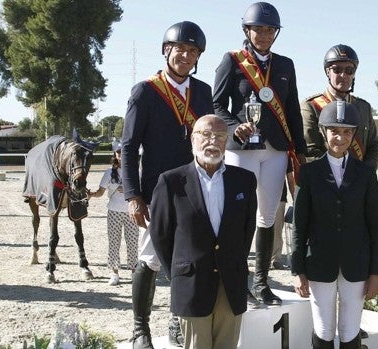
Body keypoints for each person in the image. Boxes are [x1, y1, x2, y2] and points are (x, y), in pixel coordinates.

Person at [121, 21, 213, 349]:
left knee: (187, 259)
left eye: (193, 51)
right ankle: (139, 328)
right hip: (157, 192)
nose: (185, 56)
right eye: (180, 50)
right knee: (150, 258)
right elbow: (129, 148)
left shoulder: (203, 92)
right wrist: (133, 195)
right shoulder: (145, 91)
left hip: (194, 190)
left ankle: (178, 320)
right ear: (166, 51)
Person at [213, 1, 307, 306]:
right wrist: (233, 125)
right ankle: (236, 279)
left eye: (269, 30)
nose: (264, 35)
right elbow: (216, 106)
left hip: (276, 149)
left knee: (268, 215)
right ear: (247, 30)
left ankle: (262, 281)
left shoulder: (285, 65)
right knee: (238, 214)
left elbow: (292, 110)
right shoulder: (231, 61)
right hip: (242, 148)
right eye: (258, 29)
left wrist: (301, 153)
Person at [149, 115, 257, 349]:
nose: (212, 141)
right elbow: (160, 235)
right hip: (192, 285)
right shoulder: (171, 182)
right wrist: (180, 273)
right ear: (193, 139)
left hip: (231, 284)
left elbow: (247, 231)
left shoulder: (245, 181)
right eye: (205, 135)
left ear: (227, 141)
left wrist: (233, 261)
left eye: (219, 136)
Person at [292, 101, 378, 349]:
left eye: (346, 132)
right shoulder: (308, 173)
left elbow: (376, 225)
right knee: (323, 328)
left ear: (353, 134)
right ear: (324, 132)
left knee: (349, 328)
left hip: (356, 264)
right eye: (334, 130)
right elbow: (300, 224)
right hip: (319, 263)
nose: (340, 138)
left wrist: (376, 272)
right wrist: (297, 270)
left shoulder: (365, 173)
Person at [301, 44, 378, 169]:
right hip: (326, 180)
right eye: (337, 70)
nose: (343, 75)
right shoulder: (311, 107)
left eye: (349, 71)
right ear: (328, 72)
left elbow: (373, 147)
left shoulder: (363, 108)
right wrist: (338, 175)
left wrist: (364, 175)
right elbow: (310, 150)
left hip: (359, 180)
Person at [88, 142, 138, 286]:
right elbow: (100, 192)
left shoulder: (135, 171)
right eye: (118, 152)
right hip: (114, 211)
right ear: (115, 155)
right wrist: (91, 195)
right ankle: (114, 272)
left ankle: (134, 271)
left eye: (123, 152)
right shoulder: (109, 173)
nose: (121, 155)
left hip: (131, 211)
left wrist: (130, 191)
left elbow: (141, 191)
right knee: (114, 242)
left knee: (132, 242)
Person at [270, 164, 295, 270]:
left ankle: (275, 258)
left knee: (277, 229)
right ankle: (263, 259)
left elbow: (290, 178)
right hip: (259, 195)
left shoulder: (284, 155)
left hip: (279, 196)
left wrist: (295, 198)